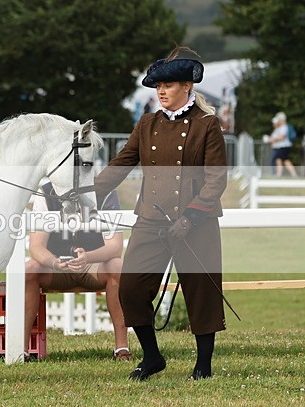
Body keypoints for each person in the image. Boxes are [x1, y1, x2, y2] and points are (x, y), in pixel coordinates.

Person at [95, 48, 228, 381]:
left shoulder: (207, 125)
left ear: (186, 85)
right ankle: (152, 357)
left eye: (168, 85)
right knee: (131, 289)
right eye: (158, 86)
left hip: (194, 222)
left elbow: (216, 179)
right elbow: (123, 162)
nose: (162, 91)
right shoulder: (147, 123)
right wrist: (88, 193)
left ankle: (203, 365)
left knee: (201, 290)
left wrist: (191, 217)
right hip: (151, 221)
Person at [24, 183, 130, 361]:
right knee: (29, 270)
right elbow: (36, 246)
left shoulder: (106, 191)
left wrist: (88, 257)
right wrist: (54, 262)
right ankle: (22, 350)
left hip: (94, 265)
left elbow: (115, 247)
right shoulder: (46, 193)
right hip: (57, 265)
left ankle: (122, 348)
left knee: (117, 266)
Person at [263, 112, 297, 177]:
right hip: (280, 147)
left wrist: (270, 140)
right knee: (280, 160)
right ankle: (280, 174)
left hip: (283, 147)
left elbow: (281, 137)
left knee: (282, 160)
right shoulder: (278, 128)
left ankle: (292, 174)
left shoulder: (284, 127)